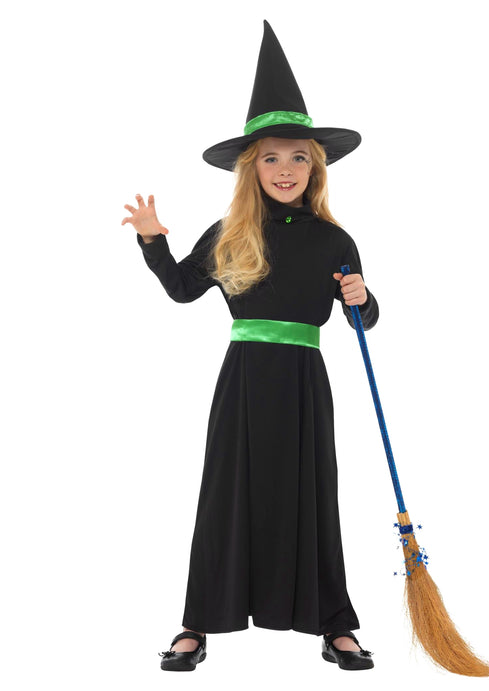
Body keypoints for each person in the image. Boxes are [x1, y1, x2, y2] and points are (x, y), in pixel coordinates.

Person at [121, 20, 378, 672]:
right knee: (225, 496)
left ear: (314, 166)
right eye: (270, 157)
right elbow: (183, 290)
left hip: (303, 379)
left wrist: (361, 298)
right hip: (243, 379)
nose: (285, 169)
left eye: (298, 158)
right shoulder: (229, 233)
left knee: (312, 495)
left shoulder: (332, 239)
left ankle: (334, 624)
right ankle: (197, 623)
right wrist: (152, 241)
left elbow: (362, 320)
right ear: (250, 167)